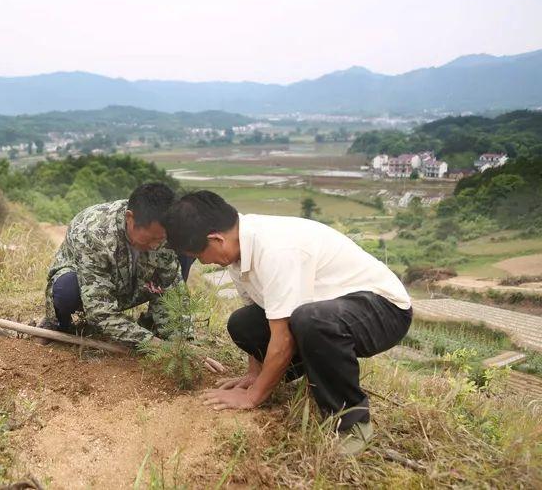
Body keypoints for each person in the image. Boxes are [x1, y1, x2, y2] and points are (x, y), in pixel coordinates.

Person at [162, 191, 412, 455]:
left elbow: (283, 339)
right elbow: (260, 311)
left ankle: (351, 422)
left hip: (383, 310)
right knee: (243, 323)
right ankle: (296, 373)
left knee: (310, 320)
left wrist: (252, 397)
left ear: (216, 239)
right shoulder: (238, 252)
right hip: (327, 308)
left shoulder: (275, 250)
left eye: (199, 254)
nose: (203, 261)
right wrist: (254, 375)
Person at [42, 182, 195, 347]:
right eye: (151, 238)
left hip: (133, 284)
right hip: (91, 289)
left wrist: (182, 344)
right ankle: (60, 324)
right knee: (66, 289)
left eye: (161, 239)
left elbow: (171, 289)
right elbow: (99, 311)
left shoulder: (164, 231)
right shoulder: (93, 233)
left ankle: (153, 323)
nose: (156, 246)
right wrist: (151, 343)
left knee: (184, 253)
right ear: (130, 218)